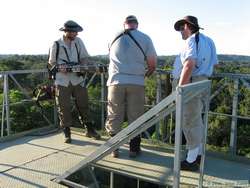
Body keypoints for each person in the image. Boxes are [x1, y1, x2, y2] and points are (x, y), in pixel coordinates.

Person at [105, 15, 157, 158]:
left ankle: (114, 149)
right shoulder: (145, 38)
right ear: (136, 25)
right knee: (135, 116)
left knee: (114, 115)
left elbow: (110, 56)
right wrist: (144, 75)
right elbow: (152, 64)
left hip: (115, 81)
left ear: (124, 25)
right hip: (137, 82)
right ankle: (134, 149)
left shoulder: (113, 37)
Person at [173, 16, 218, 171]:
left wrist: (181, 88)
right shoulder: (209, 41)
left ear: (187, 26)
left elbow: (189, 64)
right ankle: (197, 153)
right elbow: (215, 63)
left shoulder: (191, 40)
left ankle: (192, 160)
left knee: (190, 120)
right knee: (197, 118)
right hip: (203, 81)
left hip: (191, 82)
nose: (180, 32)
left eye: (181, 28)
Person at [48, 20, 100, 143]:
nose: (76, 34)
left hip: (77, 79)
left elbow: (84, 57)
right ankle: (67, 132)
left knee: (84, 104)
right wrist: (62, 68)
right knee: (63, 107)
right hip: (62, 80)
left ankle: (89, 129)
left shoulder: (78, 42)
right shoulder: (56, 44)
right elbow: (52, 62)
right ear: (67, 31)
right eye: (74, 32)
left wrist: (82, 67)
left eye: (76, 32)